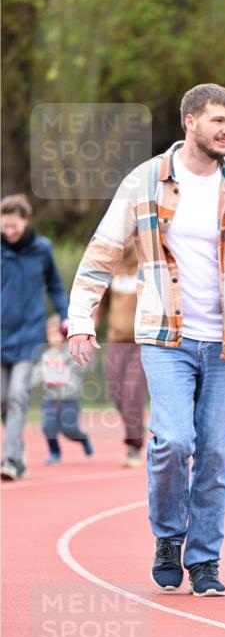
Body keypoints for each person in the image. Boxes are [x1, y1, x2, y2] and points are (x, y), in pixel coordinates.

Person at [68, 83, 225, 596]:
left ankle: (203, 561)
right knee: (174, 441)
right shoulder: (144, 183)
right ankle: (168, 535)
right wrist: (81, 318)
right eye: (218, 120)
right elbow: (101, 255)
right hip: (166, 337)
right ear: (190, 122)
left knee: (217, 455)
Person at [1, 193, 69, 480]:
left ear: (26, 221)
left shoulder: (42, 249)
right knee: (3, 401)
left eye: (14, 226)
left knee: (18, 396)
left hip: (29, 335)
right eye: (4, 226)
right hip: (1, 335)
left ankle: (11, 461)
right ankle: (17, 449)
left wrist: (65, 315)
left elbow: (54, 285)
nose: (9, 231)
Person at [94, 243, 148, 468]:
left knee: (132, 393)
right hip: (116, 340)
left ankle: (134, 445)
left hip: (141, 341)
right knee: (117, 392)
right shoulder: (112, 268)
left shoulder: (146, 267)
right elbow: (100, 303)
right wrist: (90, 326)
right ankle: (135, 427)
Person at [35, 315, 94, 464]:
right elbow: (36, 374)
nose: (55, 338)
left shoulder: (72, 353)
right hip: (50, 398)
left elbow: (85, 366)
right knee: (48, 427)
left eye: (57, 334)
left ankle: (83, 439)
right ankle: (55, 452)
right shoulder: (46, 356)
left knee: (69, 430)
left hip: (69, 399)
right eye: (51, 335)